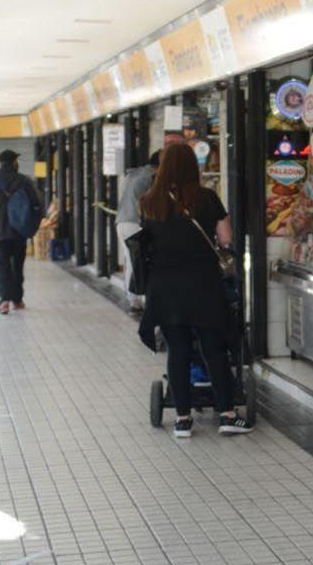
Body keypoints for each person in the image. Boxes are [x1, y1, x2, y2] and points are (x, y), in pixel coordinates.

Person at [139, 143, 252, 438]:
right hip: (203, 283)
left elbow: (144, 244)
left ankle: (183, 420)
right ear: (193, 167)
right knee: (212, 347)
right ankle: (227, 415)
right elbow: (226, 239)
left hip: (165, 286)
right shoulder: (207, 198)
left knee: (177, 349)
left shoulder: (149, 201)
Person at [118, 131, 186, 311]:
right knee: (139, 261)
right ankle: (141, 299)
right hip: (135, 223)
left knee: (131, 260)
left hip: (122, 220)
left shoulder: (134, 174)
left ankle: (133, 298)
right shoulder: (151, 178)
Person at [0, 150, 42, 315]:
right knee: (18, 267)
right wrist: (32, 226)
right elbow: (38, 204)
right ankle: (17, 301)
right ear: (13, 162)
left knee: (3, 267)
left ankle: (4, 301)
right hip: (19, 232)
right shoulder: (25, 181)